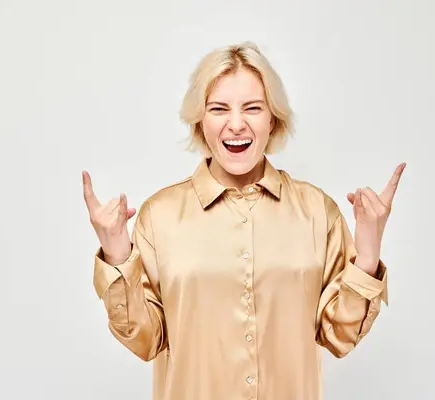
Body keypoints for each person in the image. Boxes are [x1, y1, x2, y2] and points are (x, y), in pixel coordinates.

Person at [82, 41, 406, 400]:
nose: (236, 124)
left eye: (252, 108)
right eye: (219, 109)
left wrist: (368, 251)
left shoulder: (318, 212)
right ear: (200, 120)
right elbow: (144, 339)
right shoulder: (159, 216)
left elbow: (340, 336)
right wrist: (116, 255)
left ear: (273, 118)